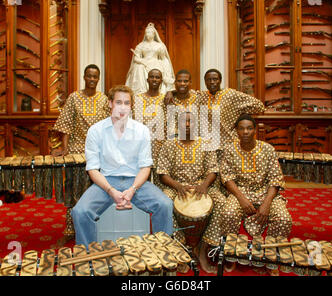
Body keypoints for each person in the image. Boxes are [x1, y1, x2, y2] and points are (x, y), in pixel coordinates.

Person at [71, 85, 174, 248]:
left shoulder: (141, 130)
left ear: (131, 106)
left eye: (127, 103)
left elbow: (145, 168)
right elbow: (92, 170)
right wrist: (111, 190)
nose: (123, 107)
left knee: (165, 205)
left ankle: (163, 251)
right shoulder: (95, 131)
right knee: (80, 212)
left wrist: (132, 189)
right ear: (110, 103)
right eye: (119, 102)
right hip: (105, 181)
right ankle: (88, 256)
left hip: (136, 182)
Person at [219, 113, 292, 275]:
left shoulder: (267, 149)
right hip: (240, 192)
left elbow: (275, 179)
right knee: (228, 213)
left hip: (266, 193)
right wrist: (241, 199)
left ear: (255, 131)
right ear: (236, 131)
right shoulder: (230, 150)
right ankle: (230, 256)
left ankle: (270, 259)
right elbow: (227, 178)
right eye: (242, 129)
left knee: (283, 218)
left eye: (249, 128)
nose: (245, 132)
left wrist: (266, 204)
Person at [156, 111, 226, 274]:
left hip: (202, 187)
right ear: (177, 125)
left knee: (221, 202)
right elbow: (162, 172)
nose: (187, 125)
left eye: (191, 122)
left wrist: (204, 185)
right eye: (183, 122)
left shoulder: (205, 143)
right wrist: (177, 186)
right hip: (176, 187)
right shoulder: (169, 144)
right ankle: (179, 252)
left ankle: (202, 250)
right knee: (165, 202)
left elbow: (212, 170)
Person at [53, 64, 110, 155]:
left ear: (98, 79)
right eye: (89, 76)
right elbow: (65, 124)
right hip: (76, 149)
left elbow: (109, 126)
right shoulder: (74, 97)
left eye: (95, 77)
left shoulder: (103, 99)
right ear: (84, 77)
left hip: (98, 149)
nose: (92, 79)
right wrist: (64, 149)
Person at [133, 68, 166, 187]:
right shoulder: (137, 99)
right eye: (152, 77)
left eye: (157, 77)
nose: (154, 79)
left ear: (161, 80)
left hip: (160, 148)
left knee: (160, 183)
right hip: (140, 147)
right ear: (147, 79)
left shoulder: (165, 99)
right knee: (142, 182)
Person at [125, 23, 175, 95]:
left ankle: (158, 92)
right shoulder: (141, 45)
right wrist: (142, 61)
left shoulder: (159, 45)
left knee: (156, 71)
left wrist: (165, 66)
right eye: (146, 32)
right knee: (139, 67)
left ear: (154, 34)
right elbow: (136, 57)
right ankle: (140, 91)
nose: (147, 34)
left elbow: (163, 58)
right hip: (143, 62)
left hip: (156, 63)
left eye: (149, 32)